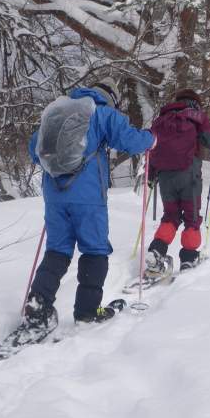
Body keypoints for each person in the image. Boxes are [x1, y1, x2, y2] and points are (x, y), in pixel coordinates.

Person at [24, 78, 155, 329]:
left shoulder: (55, 116)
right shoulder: (102, 113)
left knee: (57, 250)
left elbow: (34, 151)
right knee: (95, 250)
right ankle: (86, 311)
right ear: (109, 98)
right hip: (88, 197)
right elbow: (130, 141)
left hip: (54, 195)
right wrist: (151, 139)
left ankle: (38, 306)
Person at [144, 89, 210, 277]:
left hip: (165, 176)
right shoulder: (197, 116)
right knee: (191, 218)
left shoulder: (160, 120)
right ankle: (189, 259)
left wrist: (151, 175)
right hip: (189, 175)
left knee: (170, 216)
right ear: (195, 103)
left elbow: (151, 146)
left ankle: (156, 253)